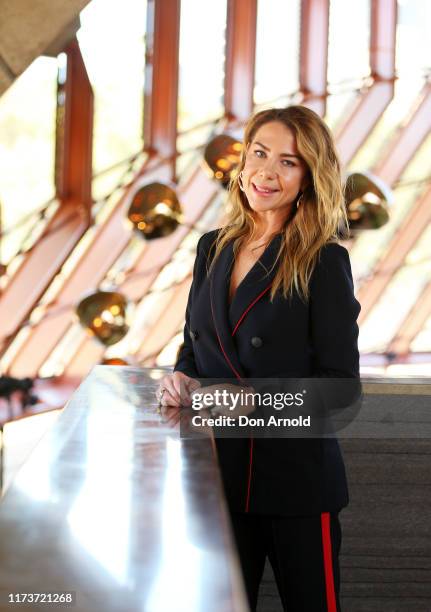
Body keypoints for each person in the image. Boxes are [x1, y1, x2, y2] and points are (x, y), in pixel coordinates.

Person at [156, 105, 361, 612]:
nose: (267, 172)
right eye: (259, 153)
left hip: (296, 481)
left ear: (311, 175)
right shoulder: (211, 248)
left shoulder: (322, 260)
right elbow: (196, 345)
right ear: (243, 159)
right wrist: (180, 377)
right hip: (217, 479)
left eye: (288, 162)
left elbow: (341, 389)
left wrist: (251, 400)